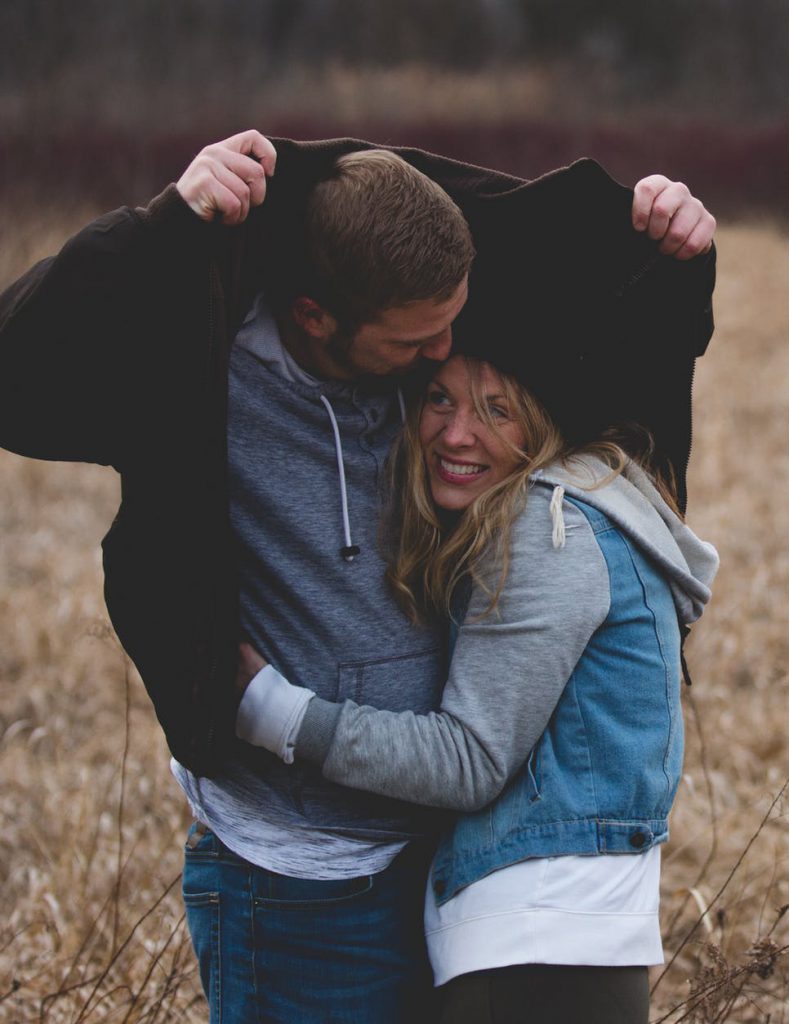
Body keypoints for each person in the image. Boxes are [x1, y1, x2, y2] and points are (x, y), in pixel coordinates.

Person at [0, 129, 716, 1023]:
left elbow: (598, 313)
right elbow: (17, 365)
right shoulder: (197, 369)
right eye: (419, 344)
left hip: (437, 864)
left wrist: (677, 245)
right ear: (314, 317)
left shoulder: (418, 342)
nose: (445, 352)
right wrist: (162, 226)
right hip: (297, 874)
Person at [234, 350, 719, 1024]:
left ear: (544, 422)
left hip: (534, 951)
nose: (457, 433)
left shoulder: (550, 530)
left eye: (497, 410)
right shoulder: (589, 505)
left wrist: (272, 713)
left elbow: (469, 761)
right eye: (439, 399)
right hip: (567, 943)